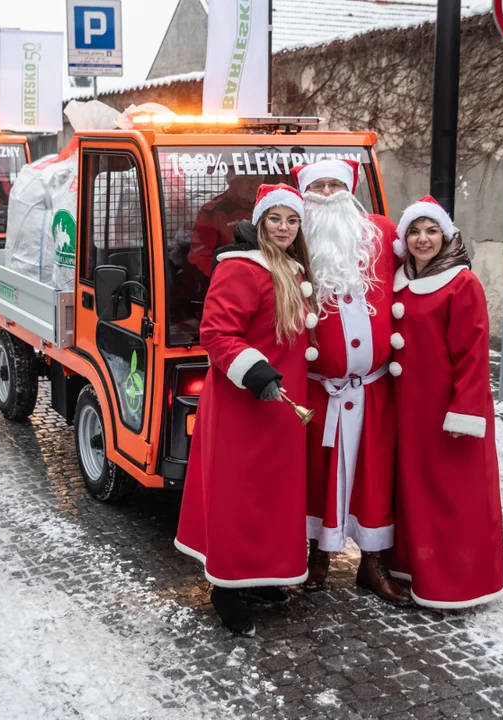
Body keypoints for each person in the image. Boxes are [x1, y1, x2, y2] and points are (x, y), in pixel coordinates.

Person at [175, 184, 320, 637]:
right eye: (275, 219)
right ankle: (226, 589)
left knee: (273, 495)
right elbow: (216, 334)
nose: (283, 227)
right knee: (240, 495)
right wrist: (255, 373)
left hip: (279, 406)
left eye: (291, 220)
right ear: (259, 223)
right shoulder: (240, 268)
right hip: (245, 404)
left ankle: (259, 574)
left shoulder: (290, 269)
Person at [291, 160, 412, 606]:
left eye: (335, 184)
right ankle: (316, 557)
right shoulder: (294, 236)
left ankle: (373, 565)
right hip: (319, 389)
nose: (326, 192)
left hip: (376, 387)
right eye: (317, 186)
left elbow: (425, 253)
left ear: (351, 189)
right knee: (316, 472)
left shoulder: (381, 231)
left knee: (375, 472)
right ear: (305, 193)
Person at [387, 195, 503, 609]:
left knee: (454, 496)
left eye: (431, 230)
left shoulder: (461, 283)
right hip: (408, 409)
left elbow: (473, 355)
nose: (423, 239)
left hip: (447, 410)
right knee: (414, 492)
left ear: (446, 234)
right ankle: (415, 569)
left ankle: (459, 583)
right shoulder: (399, 277)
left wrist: (466, 410)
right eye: (414, 231)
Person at [186, 171, 265, 278]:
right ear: (231, 181)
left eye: (258, 177)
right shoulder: (213, 212)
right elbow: (200, 257)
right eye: (248, 178)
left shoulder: (270, 206)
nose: (255, 184)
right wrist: (225, 278)